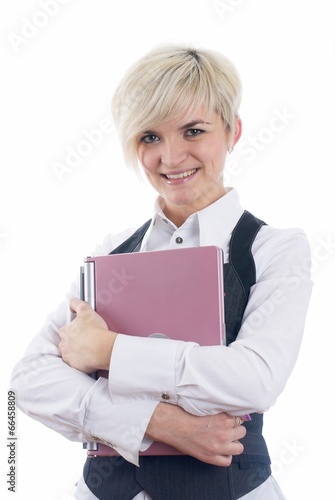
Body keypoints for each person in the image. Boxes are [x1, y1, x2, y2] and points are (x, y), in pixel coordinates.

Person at [10, 43, 313, 499]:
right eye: (150, 136)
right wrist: (157, 423)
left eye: (193, 131)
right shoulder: (110, 253)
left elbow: (255, 379)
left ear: (233, 132)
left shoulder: (276, 249)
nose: (171, 158)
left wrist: (109, 350)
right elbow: (28, 380)